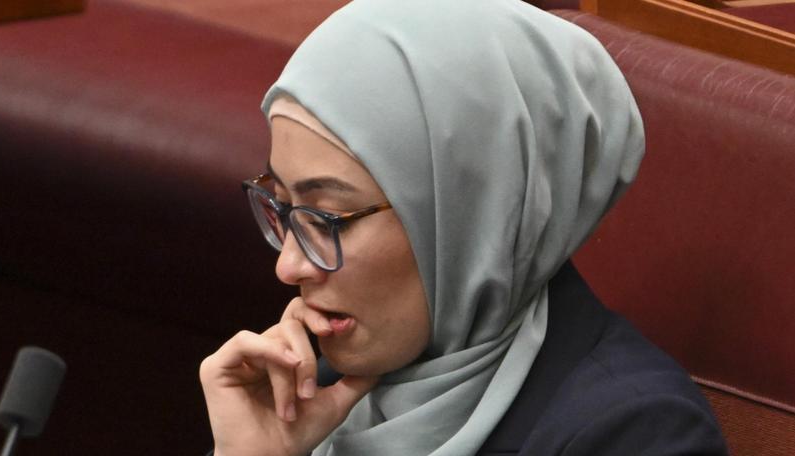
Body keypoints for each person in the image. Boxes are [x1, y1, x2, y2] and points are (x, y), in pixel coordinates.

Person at [200, 0, 728, 454]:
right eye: (283, 207)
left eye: (328, 219)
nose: (288, 264)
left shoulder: (635, 436)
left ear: (474, 213)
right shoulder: (326, 390)